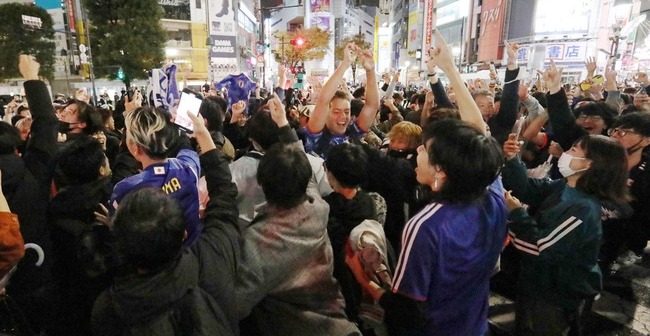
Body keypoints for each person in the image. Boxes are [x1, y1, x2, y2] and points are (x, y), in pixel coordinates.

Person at [345, 29, 507, 335]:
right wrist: (448, 70)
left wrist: (365, 281)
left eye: (426, 150)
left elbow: (407, 310)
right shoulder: (491, 197)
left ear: (441, 171)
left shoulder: (426, 226)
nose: (418, 149)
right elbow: (479, 134)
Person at [92, 111, 241, 335]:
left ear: (134, 148)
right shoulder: (188, 168)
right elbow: (223, 193)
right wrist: (202, 135)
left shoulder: (113, 308)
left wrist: (111, 222)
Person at [235, 95, 360, 336]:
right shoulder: (317, 208)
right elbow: (304, 168)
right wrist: (283, 123)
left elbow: (234, 304)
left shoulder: (259, 241)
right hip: (339, 324)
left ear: (264, 185)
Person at [503, 132, 629, 335]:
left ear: (589, 164)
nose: (566, 153)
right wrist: (512, 159)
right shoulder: (567, 186)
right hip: (538, 281)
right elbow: (529, 189)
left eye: (573, 150)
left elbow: (541, 249)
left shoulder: (582, 208)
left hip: (555, 293)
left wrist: (516, 213)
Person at [0, 55, 58, 333]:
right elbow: (47, 123)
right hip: (41, 274)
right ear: (15, 145)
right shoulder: (32, 172)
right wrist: (32, 79)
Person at [46, 136, 113, 336]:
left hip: (64, 301)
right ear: (101, 170)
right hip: (101, 299)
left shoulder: (54, 206)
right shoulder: (108, 202)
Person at [110, 106, 203, 247]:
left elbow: (118, 229)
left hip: (154, 262)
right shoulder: (189, 167)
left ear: (135, 147)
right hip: (194, 253)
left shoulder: (125, 189)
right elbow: (186, 147)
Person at [304, 44, 380, 158]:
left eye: (346, 111)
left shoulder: (353, 133)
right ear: (326, 113)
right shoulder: (315, 135)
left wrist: (370, 71)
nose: (343, 116)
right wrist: (345, 64)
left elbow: (372, 106)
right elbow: (323, 101)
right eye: (336, 112)